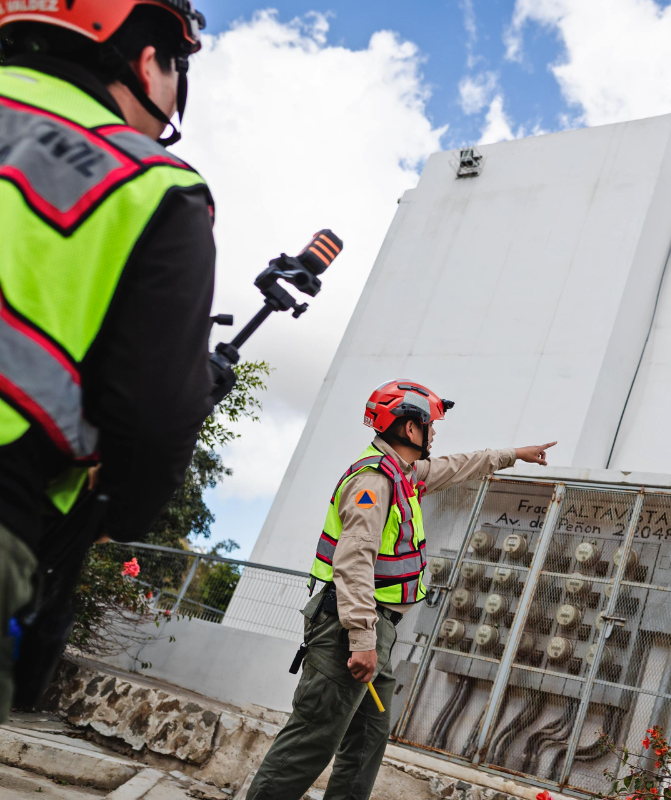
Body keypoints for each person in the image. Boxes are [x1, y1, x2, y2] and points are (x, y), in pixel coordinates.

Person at [0, 0, 215, 720]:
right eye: (177, 68)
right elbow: (154, 418)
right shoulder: (153, 185)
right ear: (149, 60)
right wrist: (116, 506)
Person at [247, 379, 555, 800]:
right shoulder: (373, 481)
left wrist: (513, 454)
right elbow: (353, 563)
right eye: (431, 425)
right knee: (312, 740)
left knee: (368, 736)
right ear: (411, 429)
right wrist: (361, 639)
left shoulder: (404, 474)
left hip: (376, 630)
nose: (435, 434)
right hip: (348, 628)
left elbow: (458, 465)